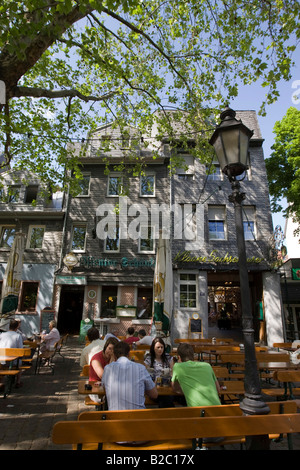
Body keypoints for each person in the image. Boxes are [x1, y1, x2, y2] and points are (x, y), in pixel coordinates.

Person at [102, 341, 158, 410]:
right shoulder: (140, 368)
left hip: (115, 418)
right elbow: (154, 395)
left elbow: (105, 389)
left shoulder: (108, 369)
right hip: (138, 417)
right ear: (128, 354)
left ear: (114, 355)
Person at [171, 343, 221, 407]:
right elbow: (218, 390)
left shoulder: (178, 367)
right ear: (193, 356)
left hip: (198, 411)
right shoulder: (207, 365)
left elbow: (174, 388)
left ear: (179, 357)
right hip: (218, 409)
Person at [144, 337, 174, 407]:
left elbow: (172, 373)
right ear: (153, 348)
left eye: (162, 347)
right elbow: (146, 376)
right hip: (154, 388)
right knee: (165, 399)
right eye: (158, 347)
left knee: (166, 398)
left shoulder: (168, 358)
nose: (160, 349)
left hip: (166, 386)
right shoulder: (149, 359)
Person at [0, 319, 24, 387]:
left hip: (1, 360)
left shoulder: (2, 335)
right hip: (13, 361)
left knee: (2, 366)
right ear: (17, 327)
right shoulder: (18, 335)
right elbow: (20, 350)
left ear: (9, 326)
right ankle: (18, 382)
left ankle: (1, 382)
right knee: (20, 364)